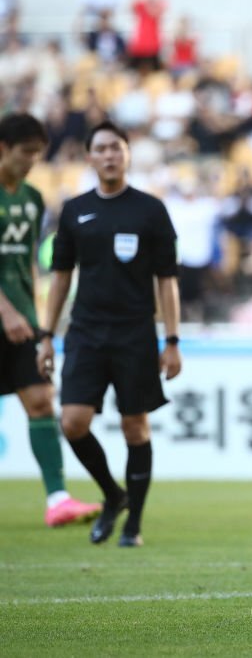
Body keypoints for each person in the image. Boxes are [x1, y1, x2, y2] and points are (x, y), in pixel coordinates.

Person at [36, 120, 182, 548]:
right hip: (85, 332)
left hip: (135, 333)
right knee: (73, 422)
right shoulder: (74, 209)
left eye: (116, 148)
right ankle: (112, 494)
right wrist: (47, 334)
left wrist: (171, 340)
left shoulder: (150, 210)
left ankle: (133, 524)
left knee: (135, 428)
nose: (109, 155)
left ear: (127, 154)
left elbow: (166, 280)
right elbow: (61, 278)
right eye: (100, 149)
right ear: (89, 157)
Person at [0, 113, 101, 528]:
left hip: (21, 317)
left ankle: (57, 499)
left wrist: (38, 322)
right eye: (26, 153)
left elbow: (26, 265)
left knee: (41, 400)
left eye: (37, 155)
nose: (31, 162)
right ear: (3, 148)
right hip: (7, 315)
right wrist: (5, 312)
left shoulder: (33, 198)